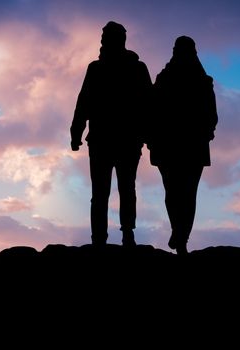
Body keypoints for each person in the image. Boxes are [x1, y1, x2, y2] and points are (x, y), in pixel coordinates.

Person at [70, 21, 152, 246]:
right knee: (119, 189)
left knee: (109, 191)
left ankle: (109, 237)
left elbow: (148, 104)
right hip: (117, 140)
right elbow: (84, 102)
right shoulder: (131, 68)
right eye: (103, 37)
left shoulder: (107, 69)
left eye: (106, 37)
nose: (103, 41)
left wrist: (76, 133)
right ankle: (116, 235)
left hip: (110, 140)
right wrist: (76, 132)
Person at [147, 36, 218, 255]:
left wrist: (207, 131)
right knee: (183, 193)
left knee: (178, 192)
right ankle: (180, 235)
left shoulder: (170, 79)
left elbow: (212, 116)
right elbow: (152, 110)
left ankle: (180, 236)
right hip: (180, 145)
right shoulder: (173, 79)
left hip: (179, 145)